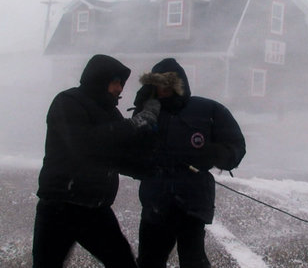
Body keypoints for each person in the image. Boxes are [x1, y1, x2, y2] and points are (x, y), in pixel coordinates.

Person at [32, 54, 160, 268]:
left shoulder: (112, 114)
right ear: (100, 79)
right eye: (116, 82)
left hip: (95, 209)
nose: (120, 88)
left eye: (122, 83)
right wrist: (135, 124)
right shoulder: (67, 101)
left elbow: (121, 156)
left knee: (123, 263)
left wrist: (155, 168)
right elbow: (83, 144)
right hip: (59, 207)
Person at [130, 58, 246, 268]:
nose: (162, 89)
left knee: (193, 261)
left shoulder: (209, 110)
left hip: (192, 202)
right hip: (155, 201)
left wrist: (217, 154)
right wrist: (140, 109)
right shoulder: (148, 112)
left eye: (167, 83)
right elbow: (128, 146)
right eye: (157, 84)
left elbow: (236, 145)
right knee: (148, 262)